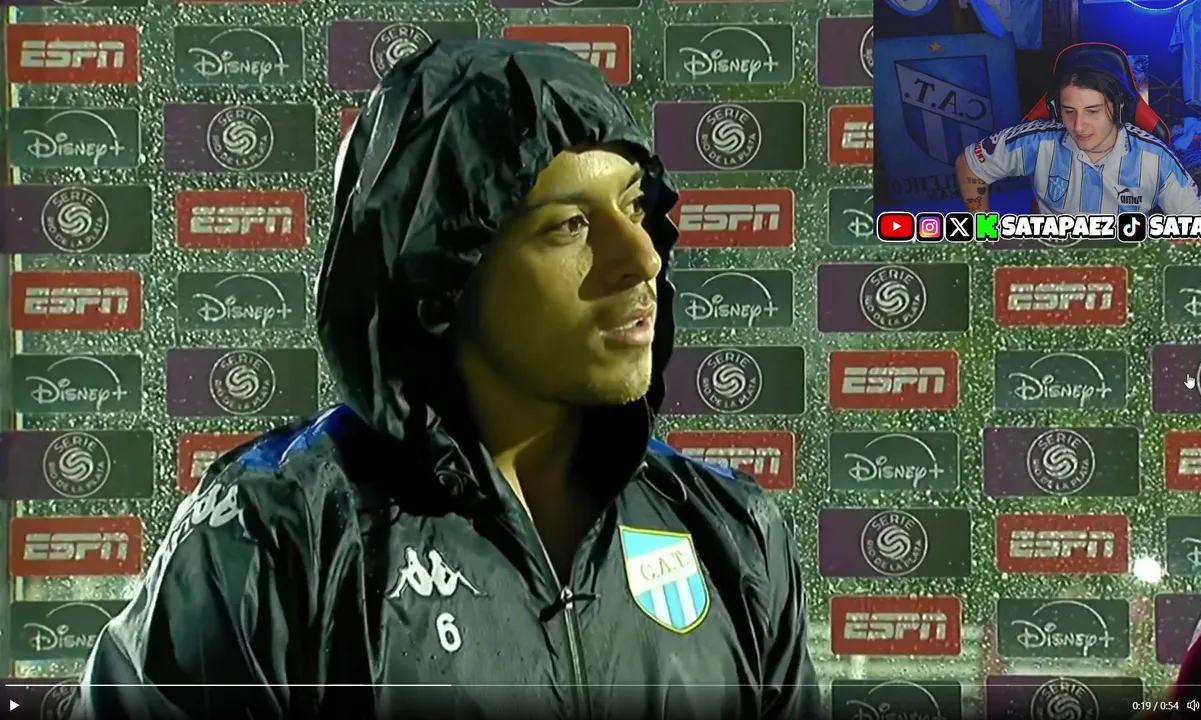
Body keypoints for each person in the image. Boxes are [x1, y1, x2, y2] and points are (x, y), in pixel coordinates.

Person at [71, 39, 819, 720]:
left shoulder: (735, 536)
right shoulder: (274, 539)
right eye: (569, 225)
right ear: (441, 275)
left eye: (633, 205)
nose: (643, 256)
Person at [955, 64, 1201, 216]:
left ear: (1119, 109)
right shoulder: (1036, 141)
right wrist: (984, 235)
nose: (1078, 126)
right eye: (1069, 111)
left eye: (1092, 111)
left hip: (1124, 265)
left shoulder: (1156, 158)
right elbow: (969, 165)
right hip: (1055, 264)